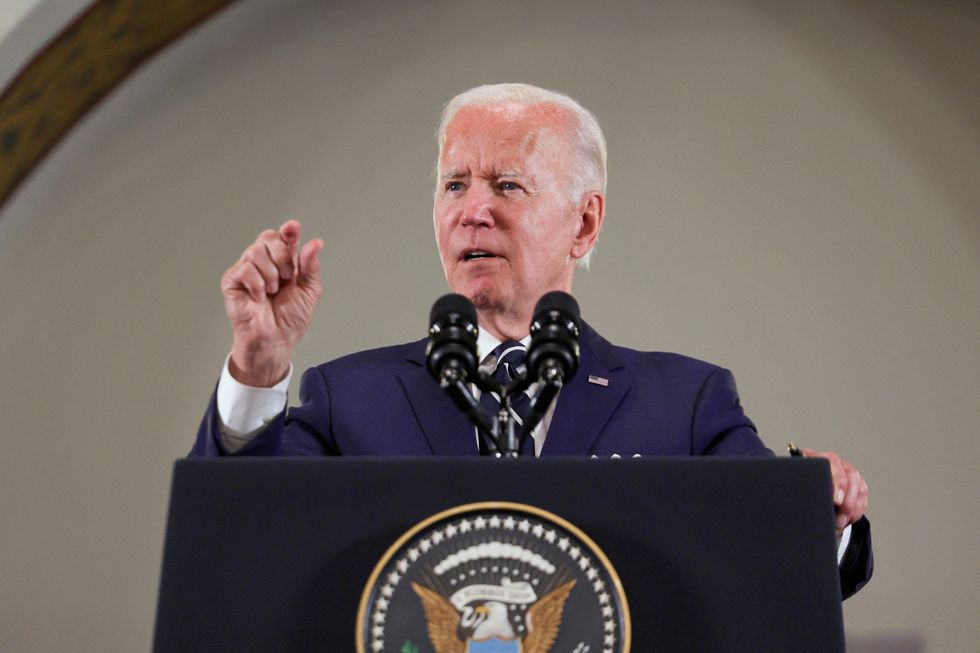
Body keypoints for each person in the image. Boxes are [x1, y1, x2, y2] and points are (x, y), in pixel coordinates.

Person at [190, 83, 871, 597]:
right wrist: (256, 367)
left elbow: (779, 553)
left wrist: (822, 512)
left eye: (506, 185)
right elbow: (242, 543)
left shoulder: (686, 403)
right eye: (453, 183)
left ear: (584, 222)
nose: (472, 210)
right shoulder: (348, 399)